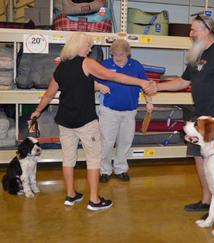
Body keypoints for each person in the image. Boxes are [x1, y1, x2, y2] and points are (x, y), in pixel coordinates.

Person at [30, 32, 154, 211]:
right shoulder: (87, 63)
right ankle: (94, 200)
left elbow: (49, 94)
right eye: (88, 45)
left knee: (68, 160)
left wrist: (37, 111)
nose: (90, 48)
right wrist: (141, 83)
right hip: (86, 121)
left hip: (65, 121)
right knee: (94, 160)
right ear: (79, 46)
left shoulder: (61, 67)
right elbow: (114, 77)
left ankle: (71, 195)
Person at [145, 15, 214, 213]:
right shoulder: (197, 54)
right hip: (200, 117)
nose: (190, 34)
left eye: (194, 30)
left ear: (207, 29)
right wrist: (157, 87)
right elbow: (183, 82)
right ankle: (207, 201)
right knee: (199, 158)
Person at [96, 39, 153, 183]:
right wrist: (99, 86)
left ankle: (120, 169)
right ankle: (105, 170)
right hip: (109, 111)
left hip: (129, 111)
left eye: (121, 54)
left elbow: (146, 85)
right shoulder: (105, 65)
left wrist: (149, 102)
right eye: (115, 54)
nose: (118, 57)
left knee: (125, 141)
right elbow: (91, 80)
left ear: (128, 53)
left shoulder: (136, 66)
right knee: (107, 142)